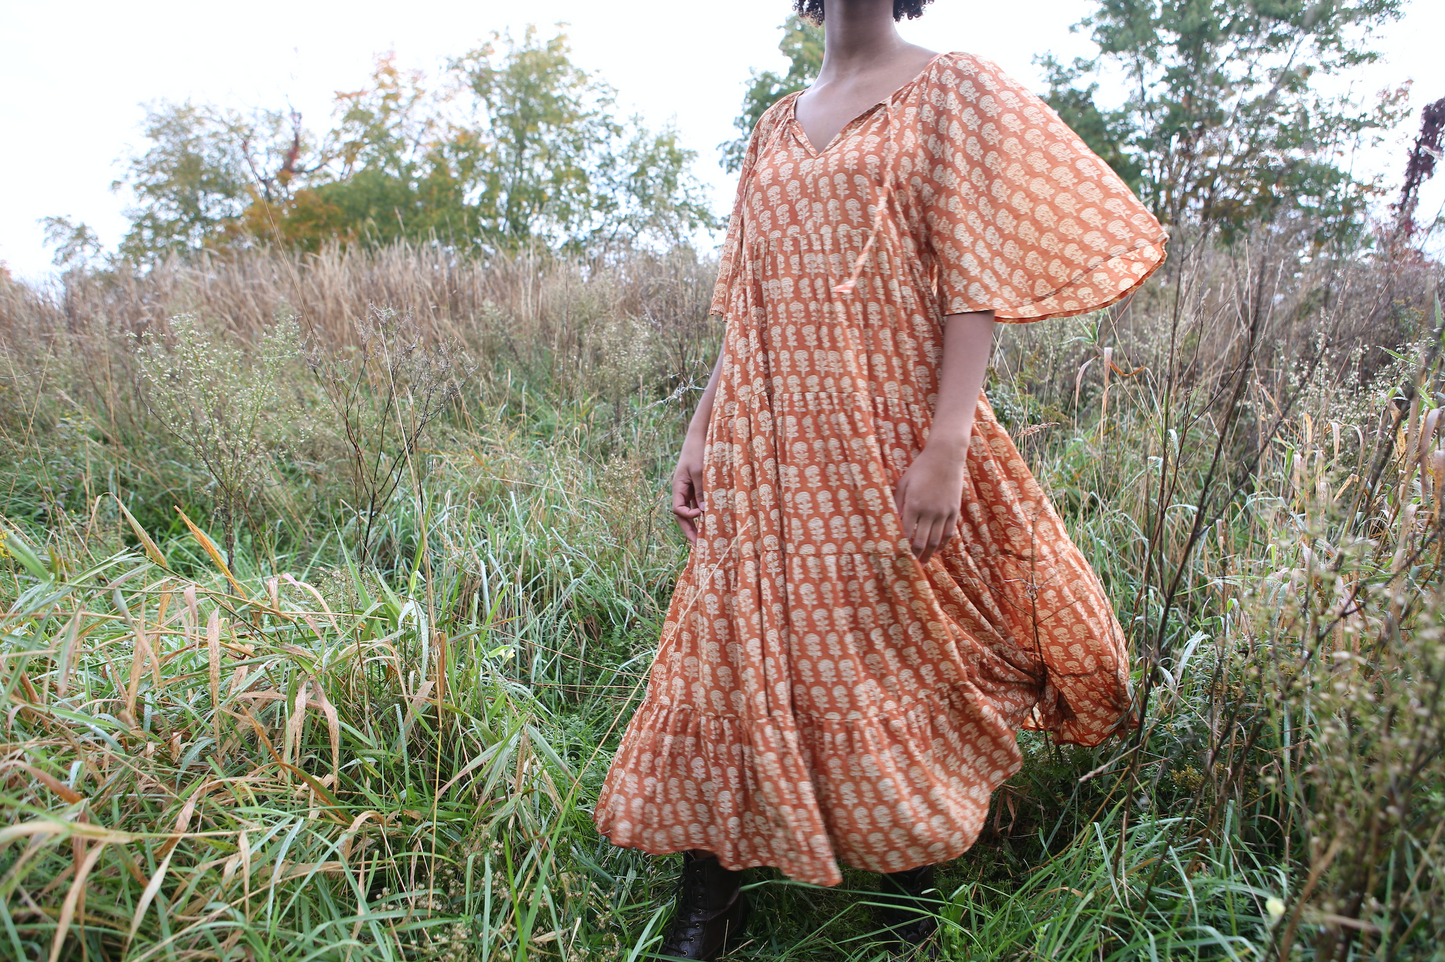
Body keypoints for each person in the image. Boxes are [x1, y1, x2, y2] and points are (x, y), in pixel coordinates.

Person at [593, 0, 1167, 957]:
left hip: (885, 425)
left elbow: (973, 281)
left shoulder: (949, 87)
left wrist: (947, 443)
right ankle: (713, 897)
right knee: (727, 638)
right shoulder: (772, 126)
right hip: (764, 433)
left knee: (888, 637)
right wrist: (700, 431)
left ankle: (907, 887)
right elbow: (750, 302)